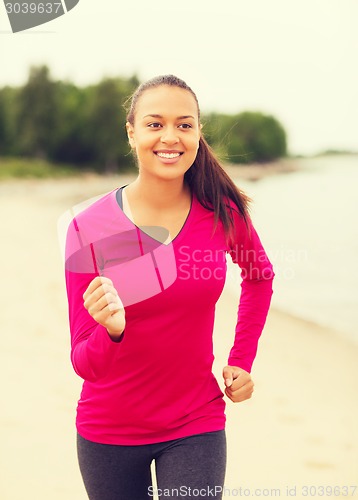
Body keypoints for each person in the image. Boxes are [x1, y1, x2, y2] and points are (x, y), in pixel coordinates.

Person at [63, 75, 274, 500]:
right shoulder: (88, 228)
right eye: (155, 124)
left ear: (198, 133)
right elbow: (85, 363)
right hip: (110, 429)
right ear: (132, 132)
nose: (170, 137)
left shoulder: (222, 212)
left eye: (184, 124)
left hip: (196, 420)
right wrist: (111, 331)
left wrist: (242, 360)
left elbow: (259, 276)